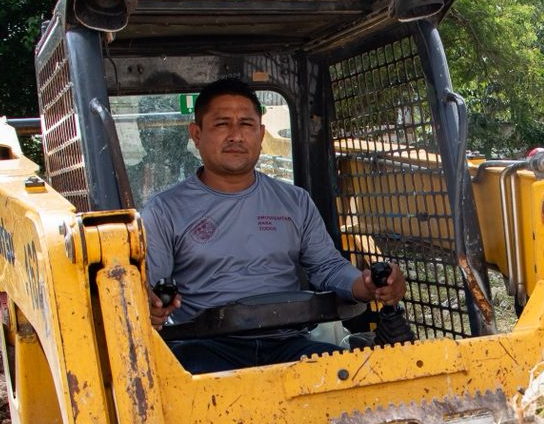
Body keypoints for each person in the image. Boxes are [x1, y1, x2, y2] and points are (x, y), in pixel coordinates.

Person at [142, 77, 405, 373]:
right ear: (196, 133)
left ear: (261, 133)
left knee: (355, 373)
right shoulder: (165, 210)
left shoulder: (294, 202)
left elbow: (328, 267)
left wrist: (366, 285)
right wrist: (152, 306)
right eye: (221, 124)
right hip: (206, 349)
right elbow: (152, 290)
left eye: (246, 124)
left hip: (289, 343)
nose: (236, 135)